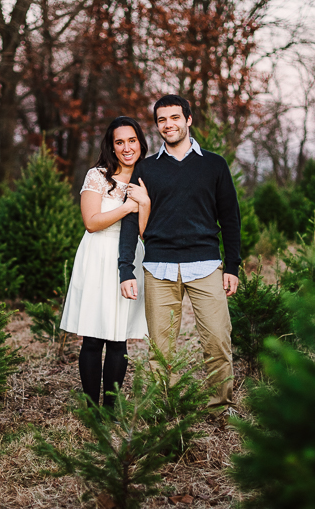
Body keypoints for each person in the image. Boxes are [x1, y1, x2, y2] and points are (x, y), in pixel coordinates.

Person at [118, 94, 241, 411]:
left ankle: (219, 407)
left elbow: (229, 217)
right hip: (159, 268)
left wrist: (233, 266)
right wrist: (125, 269)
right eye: (161, 119)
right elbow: (132, 221)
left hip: (206, 266)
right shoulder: (146, 169)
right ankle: (165, 410)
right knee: (160, 349)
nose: (168, 124)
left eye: (174, 117)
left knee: (217, 341)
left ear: (188, 119)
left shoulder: (214, 165)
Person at [60, 116, 150, 411]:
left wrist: (144, 203)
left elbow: (144, 231)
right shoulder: (98, 176)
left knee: (118, 338)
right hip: (98, 257)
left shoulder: (146, 179)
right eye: (119, 142)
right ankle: (91, 408)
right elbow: (91, 223)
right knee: (93, 338)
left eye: (132, 140)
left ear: (140, 142)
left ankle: (110, 409)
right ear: (111, 146)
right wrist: (126, 206)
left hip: (129, 258)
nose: (127, 147)